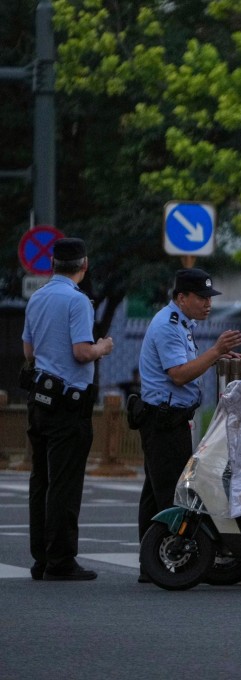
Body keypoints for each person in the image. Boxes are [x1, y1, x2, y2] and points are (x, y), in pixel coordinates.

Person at [136, 269, 241, 582]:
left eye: (209, 298)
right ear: (182, 298)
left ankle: (150, 563)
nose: (207, 304)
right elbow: (179, 374)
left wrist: (217, 357)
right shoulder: (169, 326)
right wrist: (216, 351)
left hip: (168, 417)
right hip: (164, 419)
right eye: (201, 298)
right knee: (171, 494)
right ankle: (166, 561)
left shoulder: (182, 322)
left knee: (153, 493)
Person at [21, 237, 114, 581]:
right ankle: (61, 559)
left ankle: (41, 558)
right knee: (64, 482)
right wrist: (102, 346)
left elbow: (29, 352)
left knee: (40, 480)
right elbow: (81, 351)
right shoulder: (77, 301)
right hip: (68, 402)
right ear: (84, 265)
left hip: (40, 400)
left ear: (52, 265)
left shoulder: (37, 298)